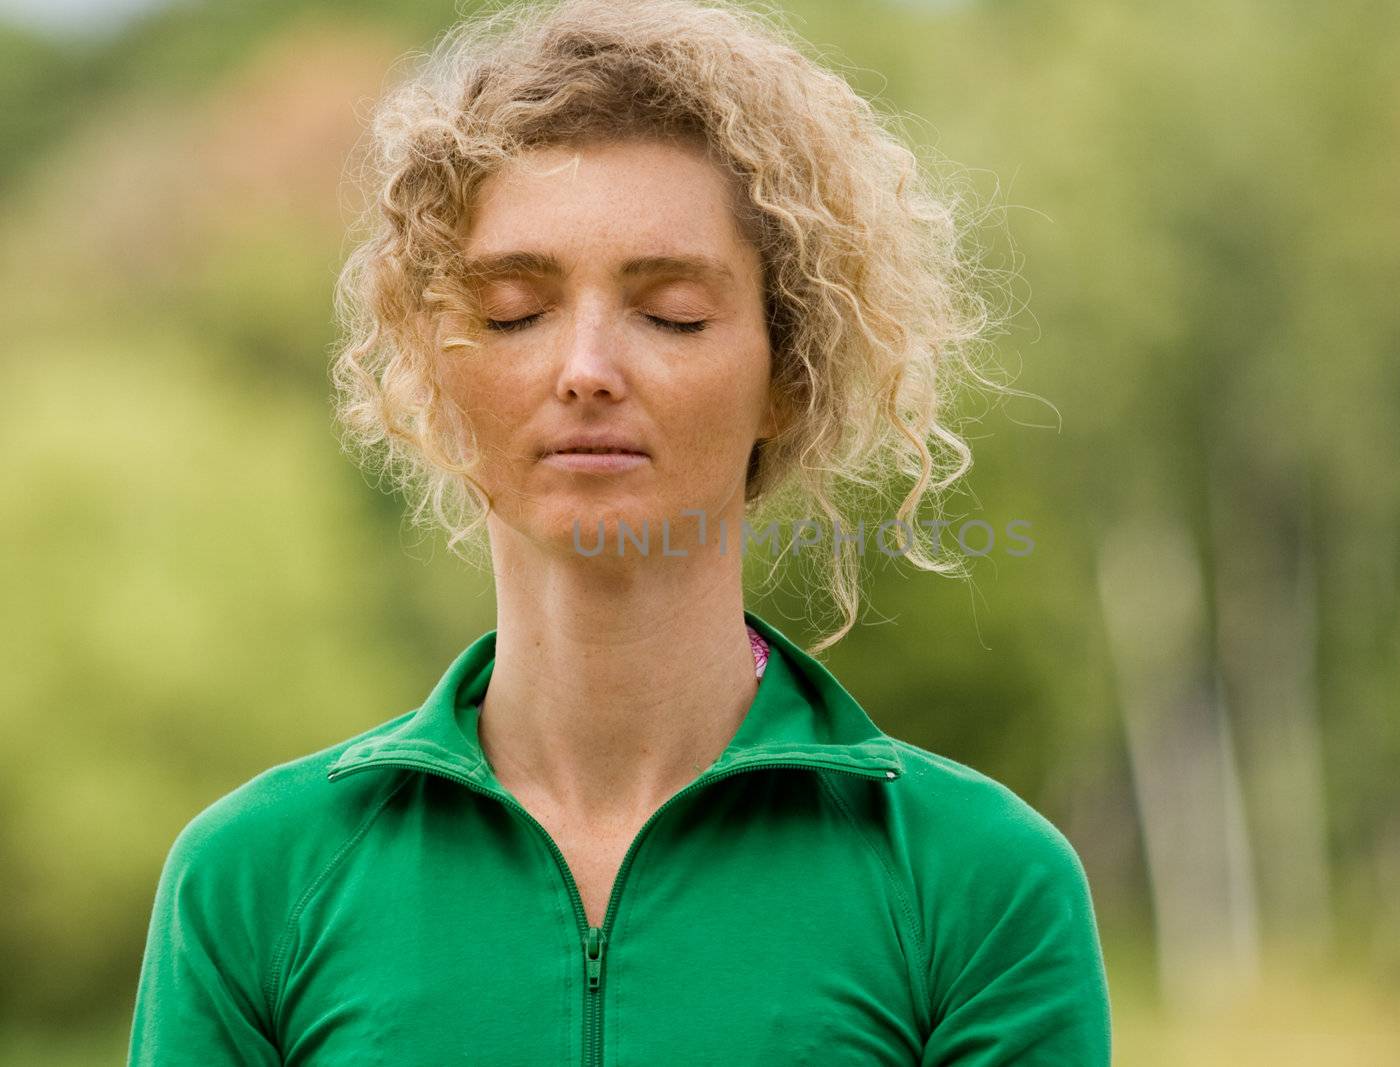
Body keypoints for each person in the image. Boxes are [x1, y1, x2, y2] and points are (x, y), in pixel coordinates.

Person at [126, 0, 1112, 1062]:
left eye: (673, 313)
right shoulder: (249, 883)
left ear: (787, 373)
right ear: (437, 371)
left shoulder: (979, 884)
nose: (586, 366)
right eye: (513, 310)